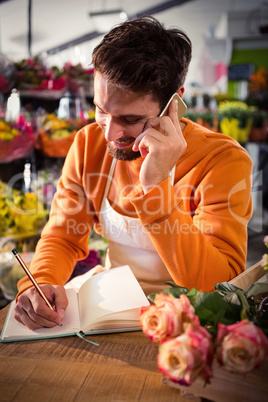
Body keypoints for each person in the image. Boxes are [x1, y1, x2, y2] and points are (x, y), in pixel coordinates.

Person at [15, 16, 252, 329]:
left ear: (174, 103)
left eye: (129, 118)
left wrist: (156, 185)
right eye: (101, 110)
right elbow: (63, 236)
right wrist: (40, 282)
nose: (111, 133)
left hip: (190, 322)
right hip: (110, 307)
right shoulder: (88, 144)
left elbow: (217, 285)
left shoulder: (223, 159)